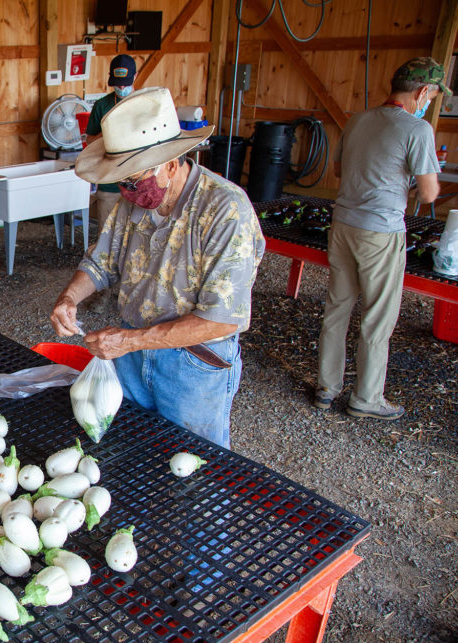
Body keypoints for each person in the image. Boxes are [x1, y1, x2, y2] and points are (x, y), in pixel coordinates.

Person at [51, 88, 265, 448]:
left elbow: (223, 318)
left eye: (134, 181)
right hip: (132, 355)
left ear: (171, 162)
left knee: (195, 466)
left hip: (192, 364)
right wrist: (69, 297)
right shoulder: (133, 200)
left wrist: (130, 340)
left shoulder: (225, 209)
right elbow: (100, 263)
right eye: (122, 182)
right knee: (133, 454)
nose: (129, 192)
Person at [314, 57, 446, 420]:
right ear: (422, 92)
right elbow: (430, 194)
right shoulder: (417, 131)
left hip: (342, 225)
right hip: (381, 231)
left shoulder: (357, 120)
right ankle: (366, 398)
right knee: (377, 316)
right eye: (432, 97)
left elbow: (340, 170)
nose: (429, 103)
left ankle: (327, 388)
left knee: (338, 308)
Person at [85, 54, 138, 228]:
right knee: (106, 234)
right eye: (117, 83)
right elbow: (90, 140)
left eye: (125, 83)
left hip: (139, 183)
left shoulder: (144, 103)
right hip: (109, 183)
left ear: (135, 77)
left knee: (135, 236)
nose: (121, 87)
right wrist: (107, 131)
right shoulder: (102, 105)